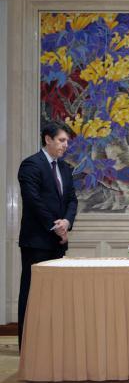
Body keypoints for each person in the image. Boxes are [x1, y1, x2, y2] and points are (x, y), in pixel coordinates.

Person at [17, 122, 78, 349]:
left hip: (57, 243)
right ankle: (28, 347)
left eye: (67, 141)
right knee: (32, 294)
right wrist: (56, 226)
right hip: (36, 242)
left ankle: (51, 345)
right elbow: (33, 201)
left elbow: (72, 200)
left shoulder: (65, 168)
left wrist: (67, 222)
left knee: (55, 296)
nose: (65, 145)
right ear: (48, 139)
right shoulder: (31, 165)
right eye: (62, 140)